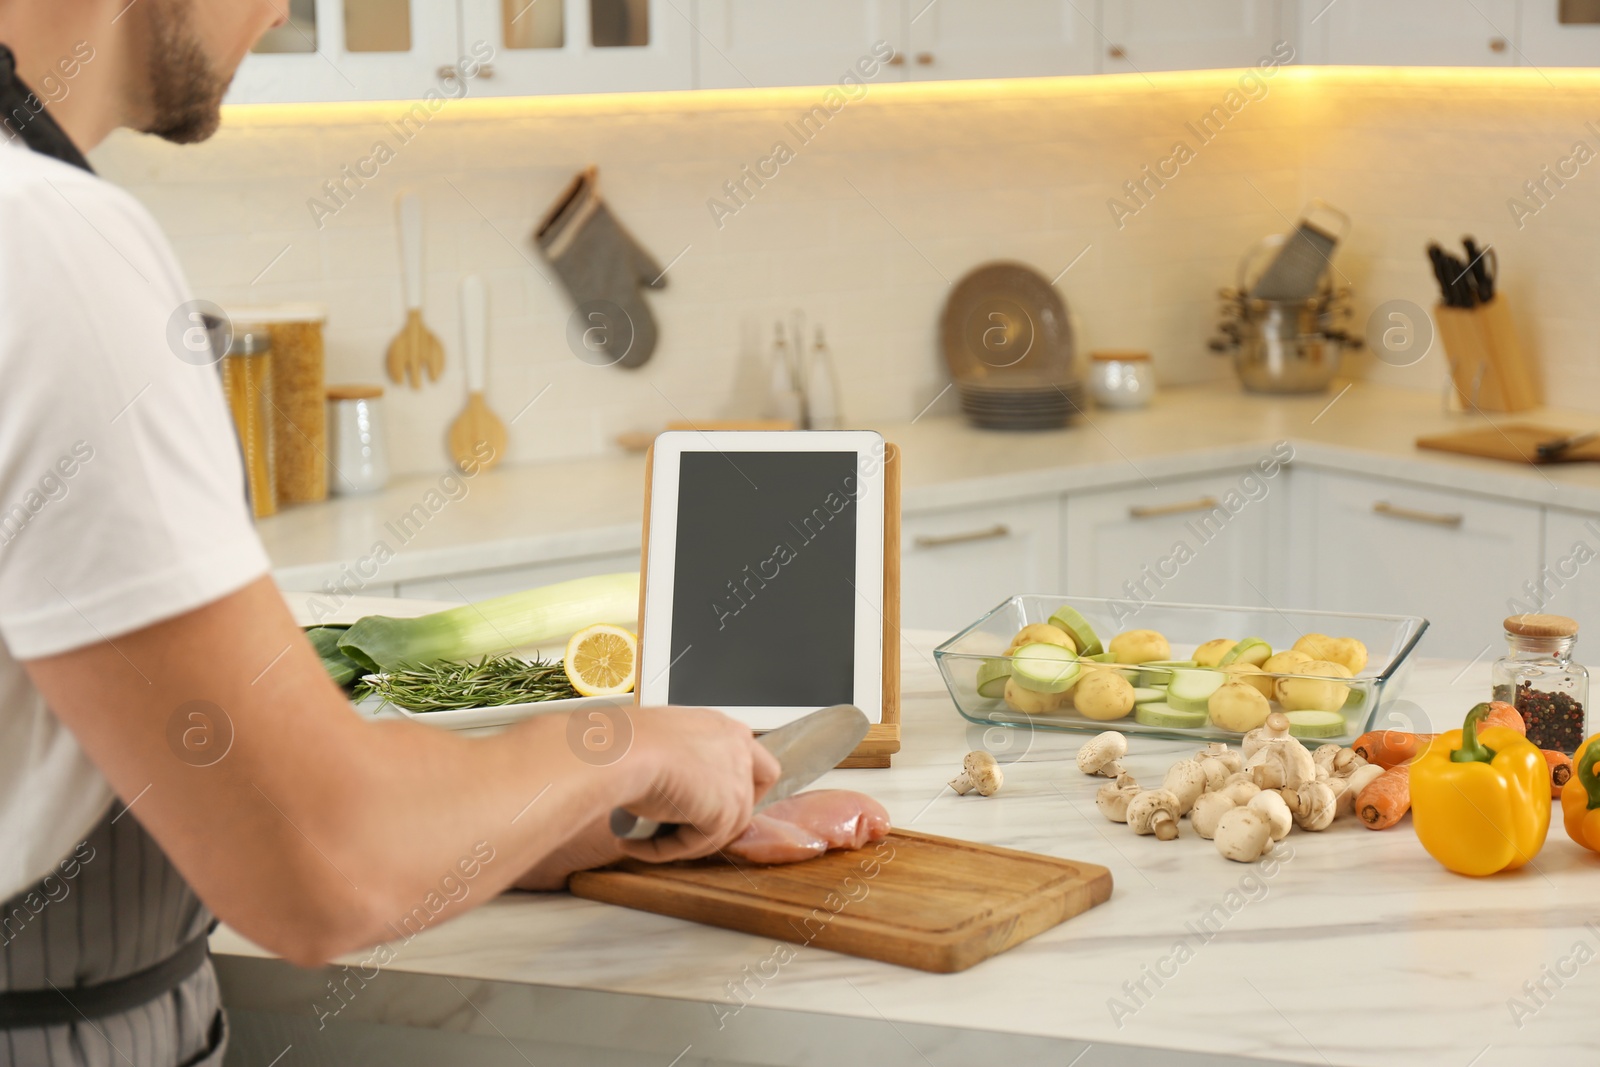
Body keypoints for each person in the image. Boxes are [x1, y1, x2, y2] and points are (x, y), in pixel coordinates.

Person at [0, 3, 779, 1064]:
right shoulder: (50, 243)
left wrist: (499, 825)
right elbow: (319, 863)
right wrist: (619, 741)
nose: (282, 8)